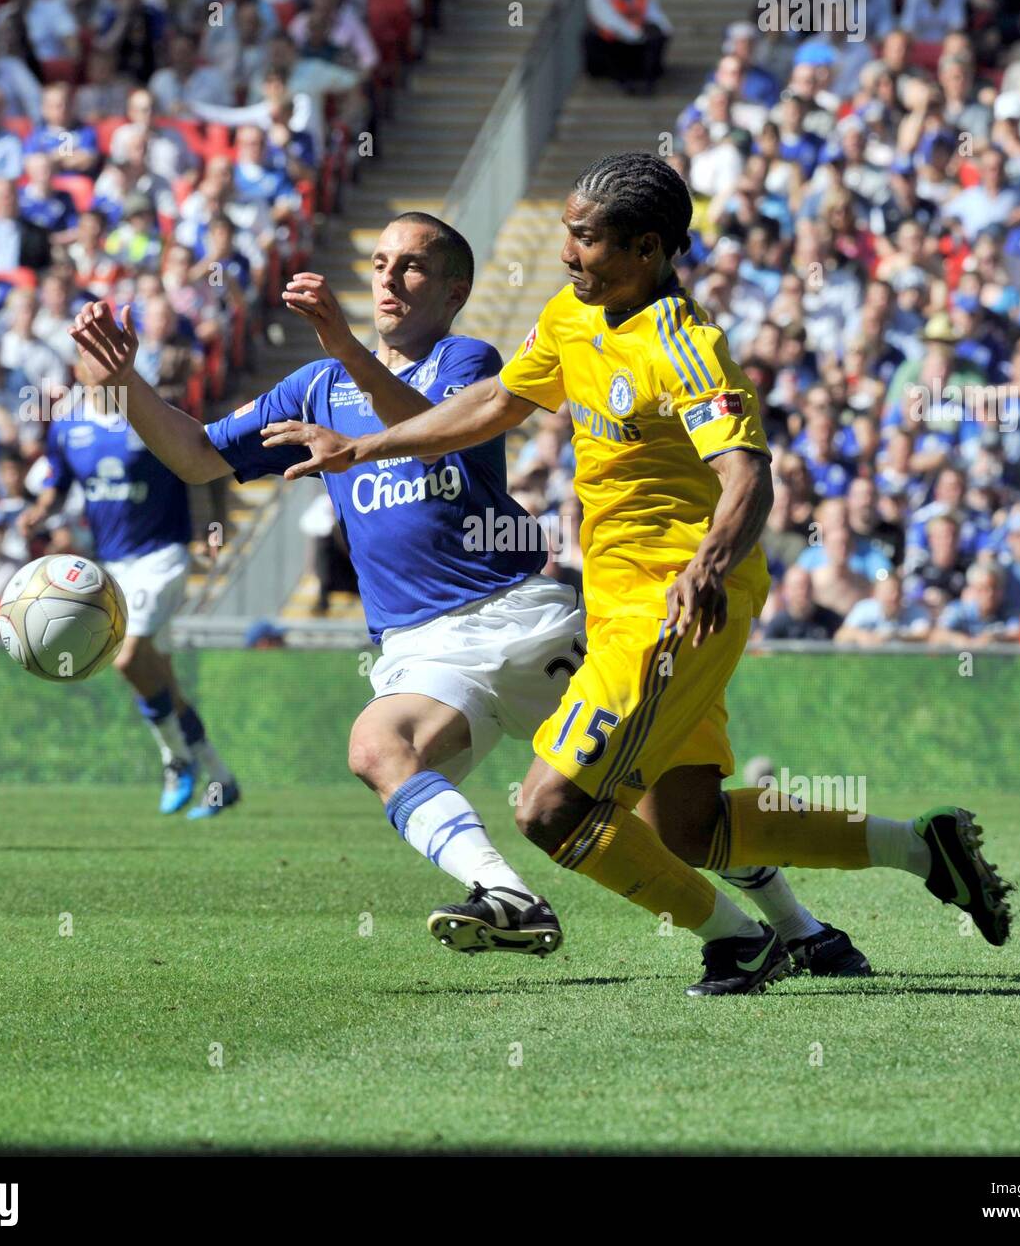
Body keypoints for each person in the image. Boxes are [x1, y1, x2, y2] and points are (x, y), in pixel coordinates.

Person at [255, 154, 1014, 994]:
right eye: (569, 233)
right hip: (613, 607)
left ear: (646, 248)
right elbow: (492, 405)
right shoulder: (571, 319)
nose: (568, 253)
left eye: (586, 239)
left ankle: (739, 942)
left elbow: (749, 475)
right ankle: (920, 847)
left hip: (679, 603)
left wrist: (708, 566)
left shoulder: (685, 346)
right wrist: (367, 445)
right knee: (687, 826)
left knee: (548, 808)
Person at [66, 210, 871, 980]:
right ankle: (514, 896)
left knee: (671, 815)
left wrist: (345, 346)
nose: (391, 279)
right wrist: (126, 380)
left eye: (413, 265)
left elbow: (430, 428)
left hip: (519, 617)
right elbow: (199, 459)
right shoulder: (315, 386)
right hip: (421, 647)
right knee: (377, 750)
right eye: (380, 264)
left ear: (453, 292)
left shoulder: (471, 363)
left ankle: (801, 930)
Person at [18, 377, 237, 820]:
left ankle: (175, 759)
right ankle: (220, 778)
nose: (100, 362)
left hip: (163, 556)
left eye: (107, 350)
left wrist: (212, 527)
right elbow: (57, 483)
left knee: (124, 654)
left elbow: (205, 461)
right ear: (80, 366)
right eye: (90, 352)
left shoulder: (155, 411)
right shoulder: (67, 426)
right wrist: (39, 511)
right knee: (163, 681)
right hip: (113, 565)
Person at [583, 0, 672, 95]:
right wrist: (636, 34)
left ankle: (648, 78)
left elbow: (657, 18)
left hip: (637, 46)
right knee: (594, 37)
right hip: (615, 47)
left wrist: (660, 30)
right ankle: (624, 81)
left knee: (656, 36)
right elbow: (611, 22)